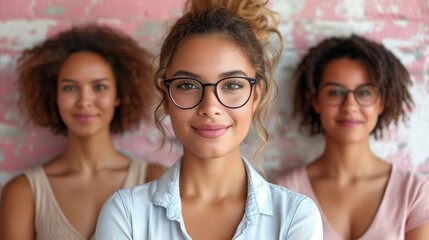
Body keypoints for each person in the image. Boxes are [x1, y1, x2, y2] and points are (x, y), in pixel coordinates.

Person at [95, 0, 323, 239]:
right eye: (188, 85)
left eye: (232, 85)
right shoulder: (126, 214)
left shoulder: (294, 216)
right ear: (166, 96)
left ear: (256, 96)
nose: (210, 107)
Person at [0, 24, 165, 240]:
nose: (84, 101)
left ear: (119, 95)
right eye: (69, 88)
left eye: (99, 87)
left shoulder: (153, 179)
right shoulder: (23, 192)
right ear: (54, 96)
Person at [275, 35, 429, 239]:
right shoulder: (283, 193)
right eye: (335, 92)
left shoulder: (415, 193)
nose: (350, 106)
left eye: (364, 93)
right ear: (316, 101)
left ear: (381, 103)